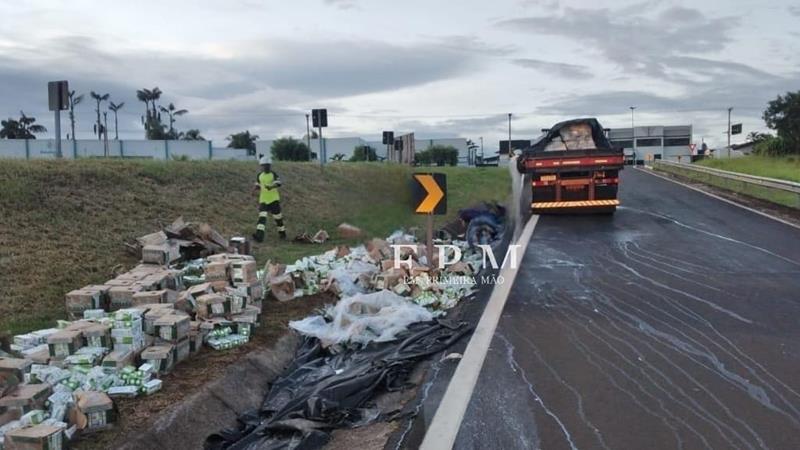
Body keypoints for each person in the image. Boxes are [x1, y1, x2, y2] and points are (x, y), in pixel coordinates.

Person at [252, 154, 286, 242]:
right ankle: (259, 236)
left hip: (274, 199)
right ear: (261, 166)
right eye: (263, 166)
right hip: (263, 199)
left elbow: (278, 183)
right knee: (262, 217)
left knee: (278, 218)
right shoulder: (259, 175)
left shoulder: (273, 174)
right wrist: (255, 189)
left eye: (267, 166)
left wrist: (271, 187)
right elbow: (258, 184)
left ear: (270, 166)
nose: (265, 168)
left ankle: (282, 233)